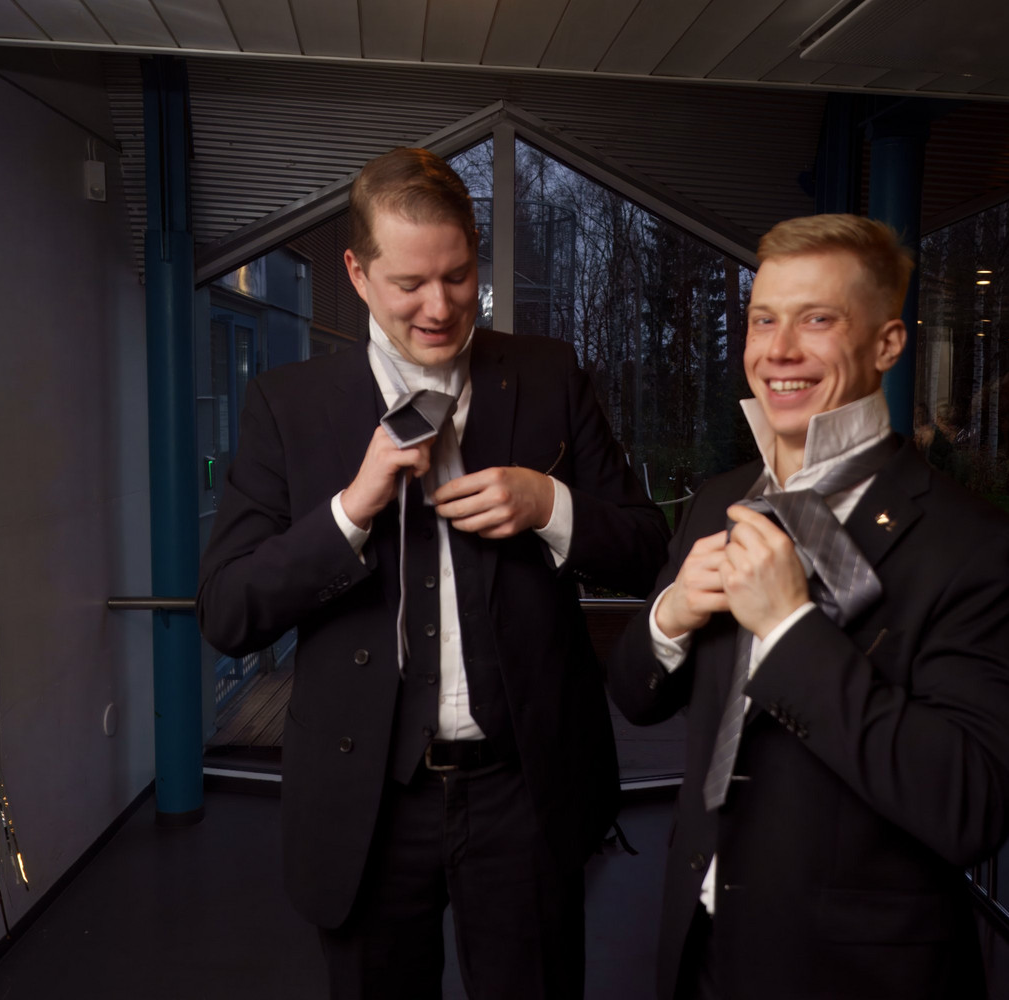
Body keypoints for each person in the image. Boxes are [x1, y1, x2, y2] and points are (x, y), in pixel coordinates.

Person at [197, 147, 669, 999]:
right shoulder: (287, 405)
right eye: (410, 283)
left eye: (458, 276)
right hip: (366, 802)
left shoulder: (550, 376)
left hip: (526, 789)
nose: (441, 307)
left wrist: (551, 503)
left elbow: (645, 547)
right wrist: (351, 510)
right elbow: (228, 611)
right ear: (357, 273)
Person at [608, 214, 1009, 999]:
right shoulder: (717, 501)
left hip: (854, 972)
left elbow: (971, 807)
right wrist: (669, 617)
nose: (778, 350)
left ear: (887, 344)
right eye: (762, 320)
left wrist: (789, 628)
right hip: (699, 946)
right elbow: (635, 697)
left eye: (817, 320)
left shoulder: (979, 548)